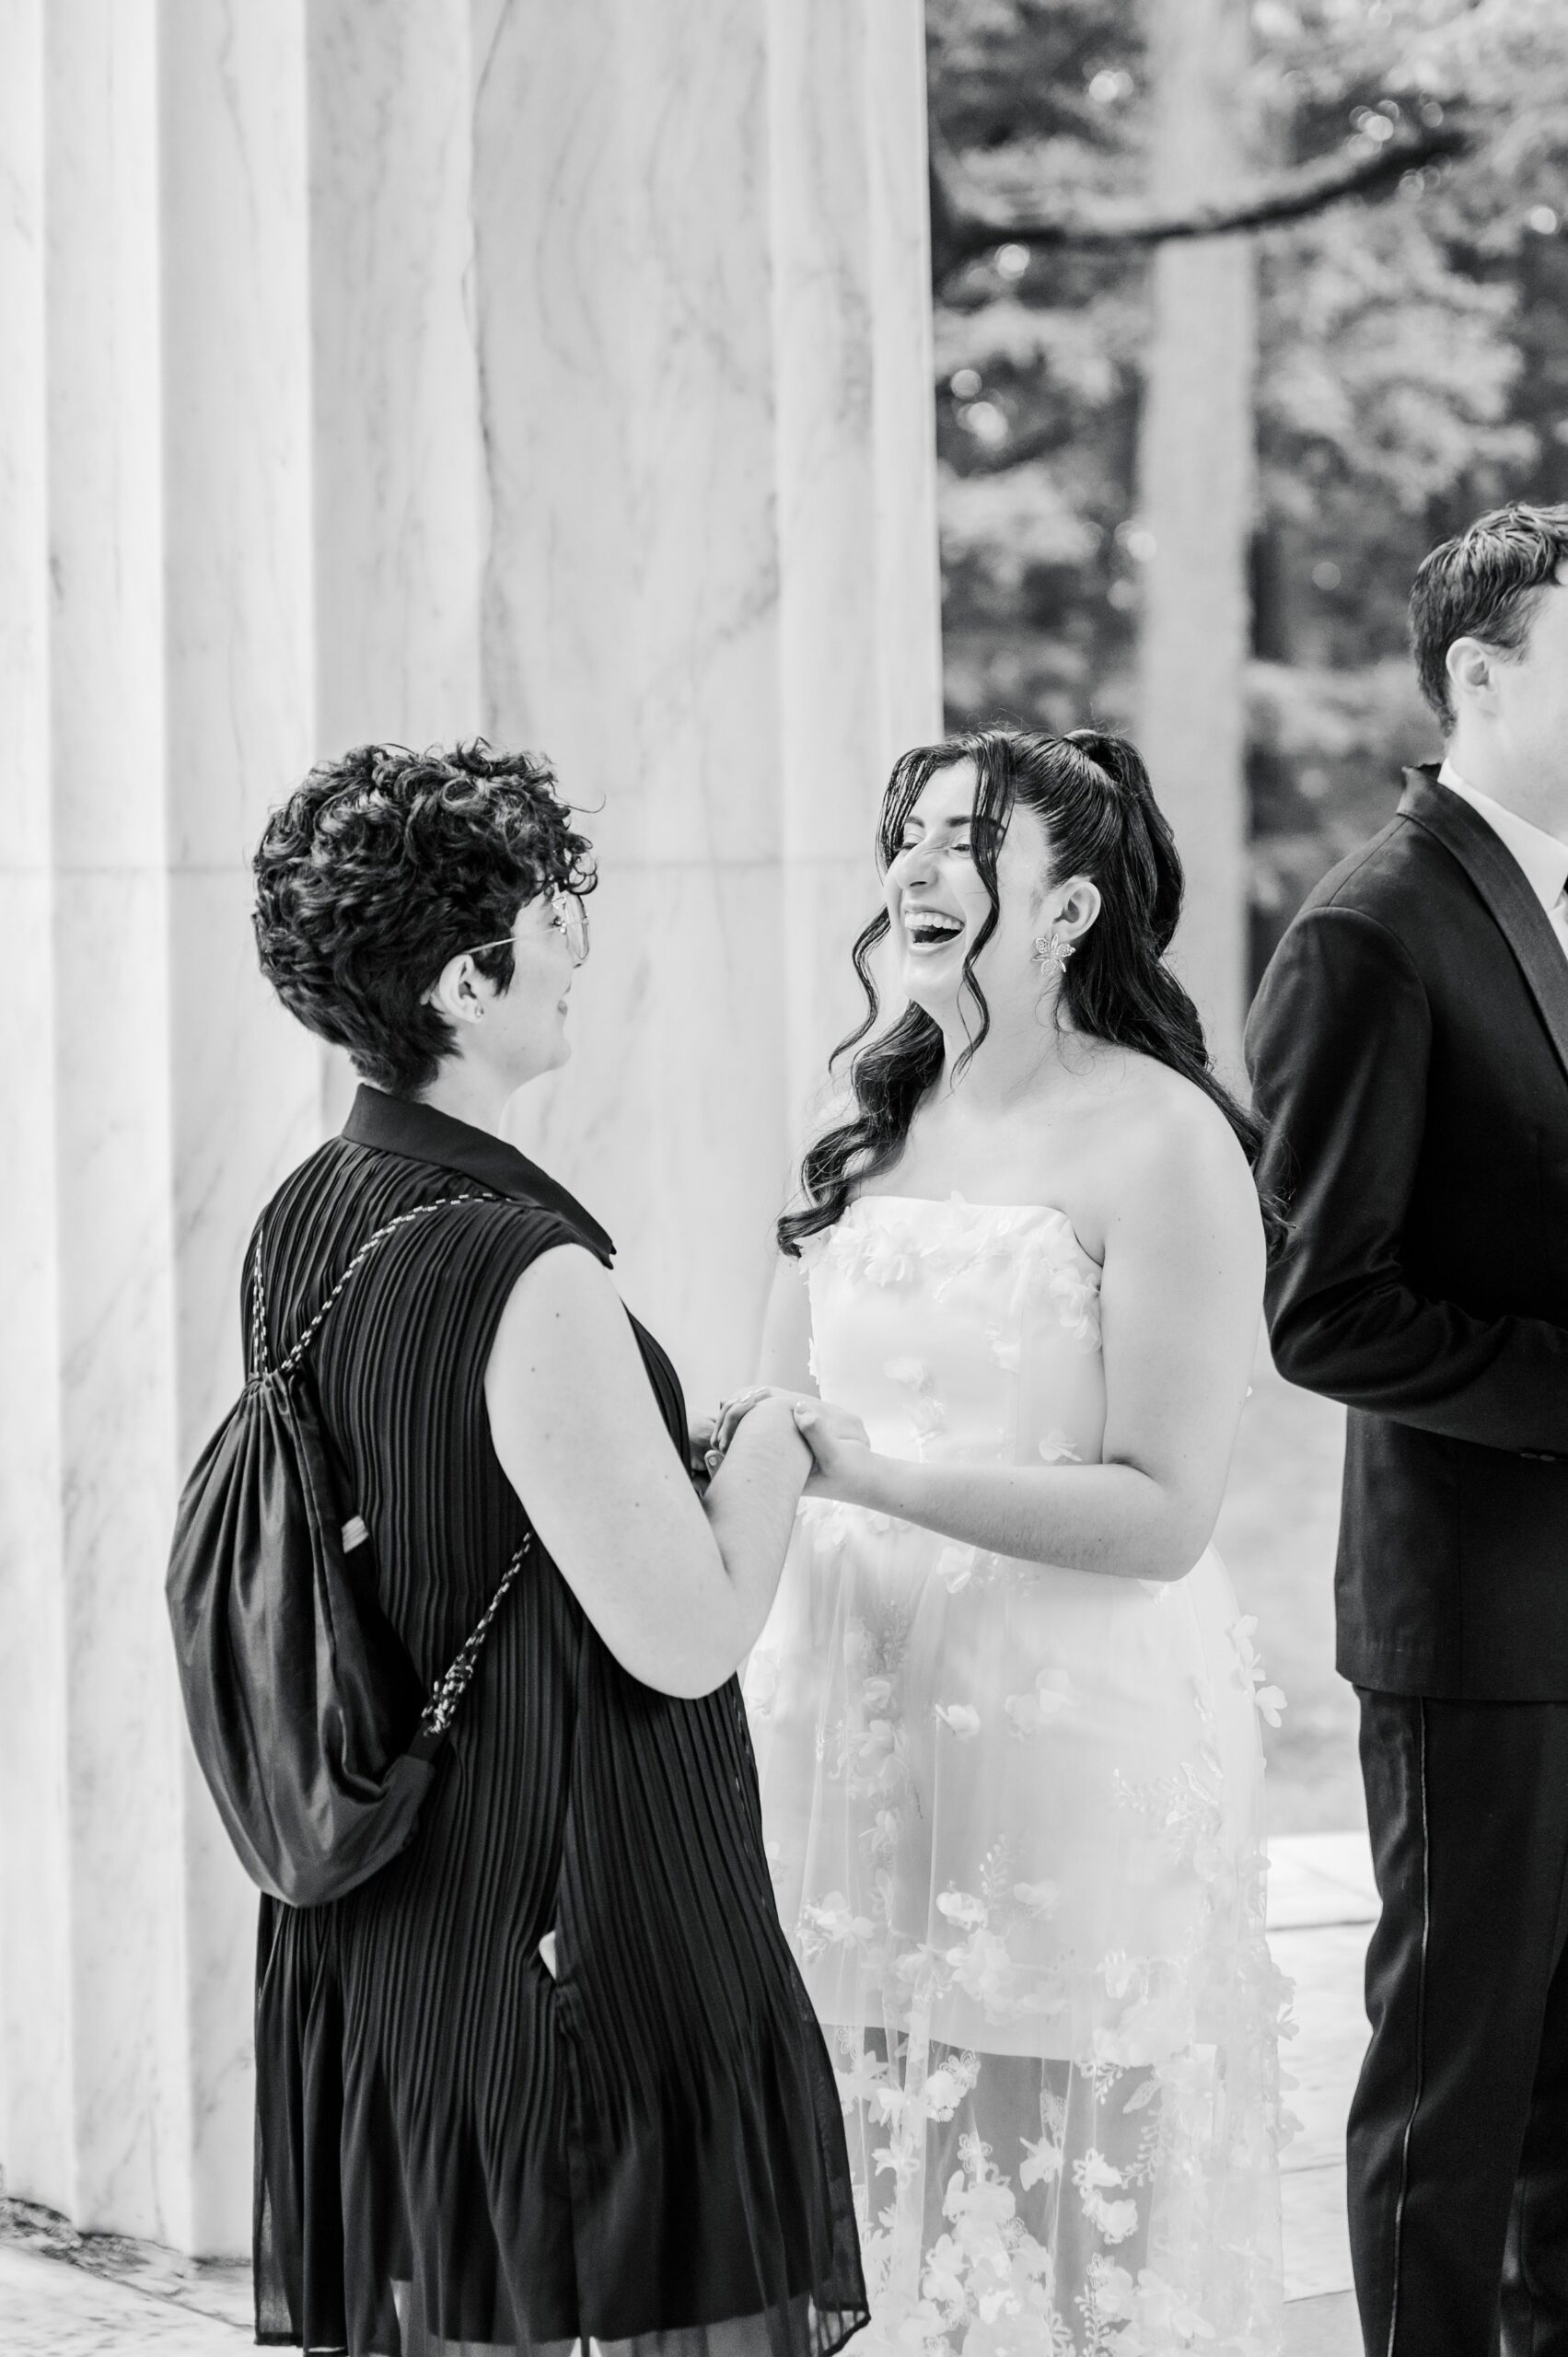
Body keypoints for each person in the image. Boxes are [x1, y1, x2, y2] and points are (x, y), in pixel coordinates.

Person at [246, 741, 869, 2357]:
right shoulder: (528, 1272)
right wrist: (774, 1455)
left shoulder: (308, 1211)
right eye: (555, 915)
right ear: (469, 978)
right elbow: (683, 1634)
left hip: (397, 1913)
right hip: (572, 1917)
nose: (579, 947)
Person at [719, 729, 1294, 2356]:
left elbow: (1166, 1512)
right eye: (906, 833)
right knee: (846, 2164)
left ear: (1069, 911)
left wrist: (875, 1479)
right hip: (839, 1711)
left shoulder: (1165, 1140)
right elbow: (783, 1409)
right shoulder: (859, 1104)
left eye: (967, 841)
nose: (917, 864)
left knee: (1037, 2210)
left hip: (1062, 1725)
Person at [1246, 503, 1568, 2357]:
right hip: (1473, 1622)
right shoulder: (1372, 929)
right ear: (1479, 675)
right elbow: (1326, 1307)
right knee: (1454, 2096)